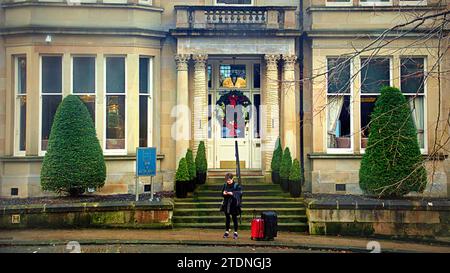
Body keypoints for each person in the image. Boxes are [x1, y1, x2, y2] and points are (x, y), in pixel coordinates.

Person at [220, 173, 242, 239]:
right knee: (227, 218)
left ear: (232, 179)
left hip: (234, 204)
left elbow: (240, 193)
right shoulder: (225, 185)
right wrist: (224, 193)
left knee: (234, 218)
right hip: (226, 204)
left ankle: (235, 232)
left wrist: (232, 193)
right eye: (227, 180)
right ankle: (227, 231)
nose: (228, 181)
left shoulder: (236, 185)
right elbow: (222, 193)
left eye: (229, 180)